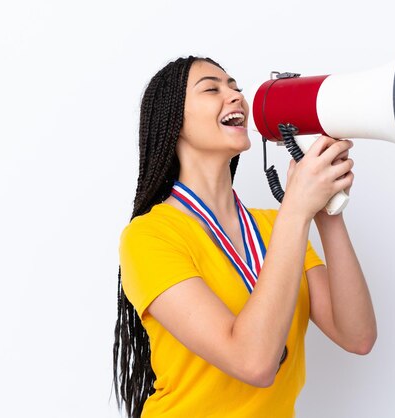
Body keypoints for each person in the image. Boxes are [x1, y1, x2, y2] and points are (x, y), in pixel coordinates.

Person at [113, 56, 377, 418]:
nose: (236, 95)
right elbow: (253, 362)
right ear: (174, 120)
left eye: (235, 86)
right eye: (212, 88)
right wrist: (298, 210)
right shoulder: (149, 237)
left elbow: (357, 336)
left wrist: (326, 211)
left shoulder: (277, 226)